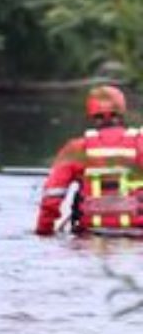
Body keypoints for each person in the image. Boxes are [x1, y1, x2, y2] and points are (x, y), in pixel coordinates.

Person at [36, 84, 143, 236]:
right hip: (137, 239)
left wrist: (43, 230)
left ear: (91, 115)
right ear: (122, 112)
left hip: (90, 238)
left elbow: (52, 197)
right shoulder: (140, 144)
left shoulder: (76, 148)